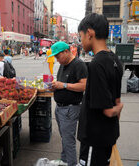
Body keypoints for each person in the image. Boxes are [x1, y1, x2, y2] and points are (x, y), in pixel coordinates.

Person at [77, 13, 123, 166]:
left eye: (81, 36)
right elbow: (116, 101)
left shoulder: (97, 64)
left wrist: (118, 108)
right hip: (108, 136)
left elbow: (110, 110)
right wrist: (118, 107)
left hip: (94, 140)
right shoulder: (115, 59)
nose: (81, 41)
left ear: (90, 33)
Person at [48, 41, 88, 166]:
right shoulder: (63, 64)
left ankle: (70, 163)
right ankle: (64, 161)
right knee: (64, 139)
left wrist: (63, 85)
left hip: (70, 109)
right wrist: (55, 86)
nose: (57, 59)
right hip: (60, 108)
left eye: (57, 56)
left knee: (68, 141)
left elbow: (83, 86)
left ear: (66, 51)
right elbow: (62, 83)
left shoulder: (78, 64)